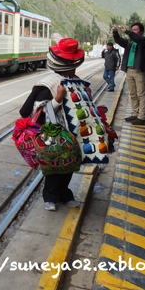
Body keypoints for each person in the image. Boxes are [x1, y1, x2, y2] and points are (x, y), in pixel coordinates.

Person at [20, 38, 112, 211]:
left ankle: (64, 193)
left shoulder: (75, 81)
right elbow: (29, 113)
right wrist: (57, 100)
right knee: (54, 166)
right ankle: (50, 196)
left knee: (70, 165)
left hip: (72, 135)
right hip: (53, 137)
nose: (73, 68)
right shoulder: (47, 85)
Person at [113, 22, 145, 125]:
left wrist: (127, 31)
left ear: (141, 31)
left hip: (139, 70)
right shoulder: (129, 42)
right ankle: (135, 113)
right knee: (133, 93)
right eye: (132, 29)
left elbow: (138, 39)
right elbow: (119, 40)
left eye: (135, 30)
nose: (133, 32)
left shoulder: (144, 41)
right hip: (129, 70)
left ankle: (142, 116)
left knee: (141, 94)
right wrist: (115, 33)